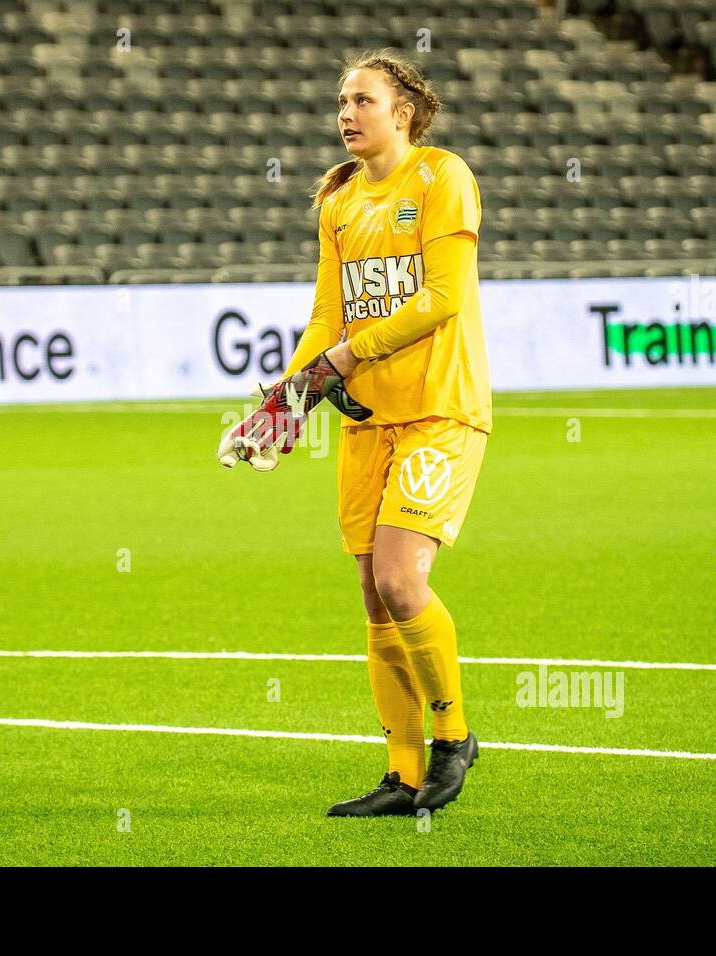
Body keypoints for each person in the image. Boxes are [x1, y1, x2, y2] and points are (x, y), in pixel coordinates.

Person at [273, 49, 494, 816]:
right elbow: (327, 318)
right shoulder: (338, 200)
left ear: (402, 112)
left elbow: (442, 299)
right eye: (340, 100)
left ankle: (454, 737)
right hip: (370, 424)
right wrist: (286, 399)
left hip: (440, 411)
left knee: (403, 581)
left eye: (362, 99)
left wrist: (343, 357)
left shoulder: (442, 178)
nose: (346, 112)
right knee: (373, 597)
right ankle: (402, 778)